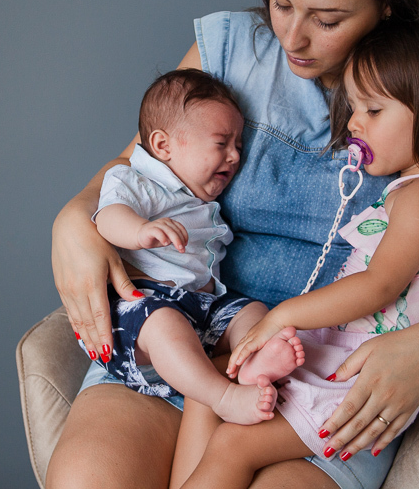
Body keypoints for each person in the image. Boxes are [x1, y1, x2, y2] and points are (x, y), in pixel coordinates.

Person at [47, 0, 419, 488]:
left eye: (327, 21)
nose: (292, 39)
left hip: (331, 377)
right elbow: (134, 170)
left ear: (388, 8)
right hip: (194, 337)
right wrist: (72, 220)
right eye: (280, 3)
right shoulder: (227, 49)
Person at [178, 19, 419, 488]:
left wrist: (281, 316)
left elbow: (380, 286)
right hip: (338, 353)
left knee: (233, 444)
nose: (353, 123)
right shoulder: (414, 189)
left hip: (356, 377)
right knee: (209, 386)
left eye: (372, 110)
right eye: (355, 107)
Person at [87, 68, 305, 425]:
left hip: (202, 310)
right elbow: (108, 216)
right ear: (163, 146)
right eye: (222, 143)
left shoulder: (202, 202)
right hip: (141, 312)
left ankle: (254, 361)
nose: (235, 156)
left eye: (238, 146)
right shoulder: (136, 180)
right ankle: (223, 396)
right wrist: (141, 230)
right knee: (164, 325)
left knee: (252, 313)